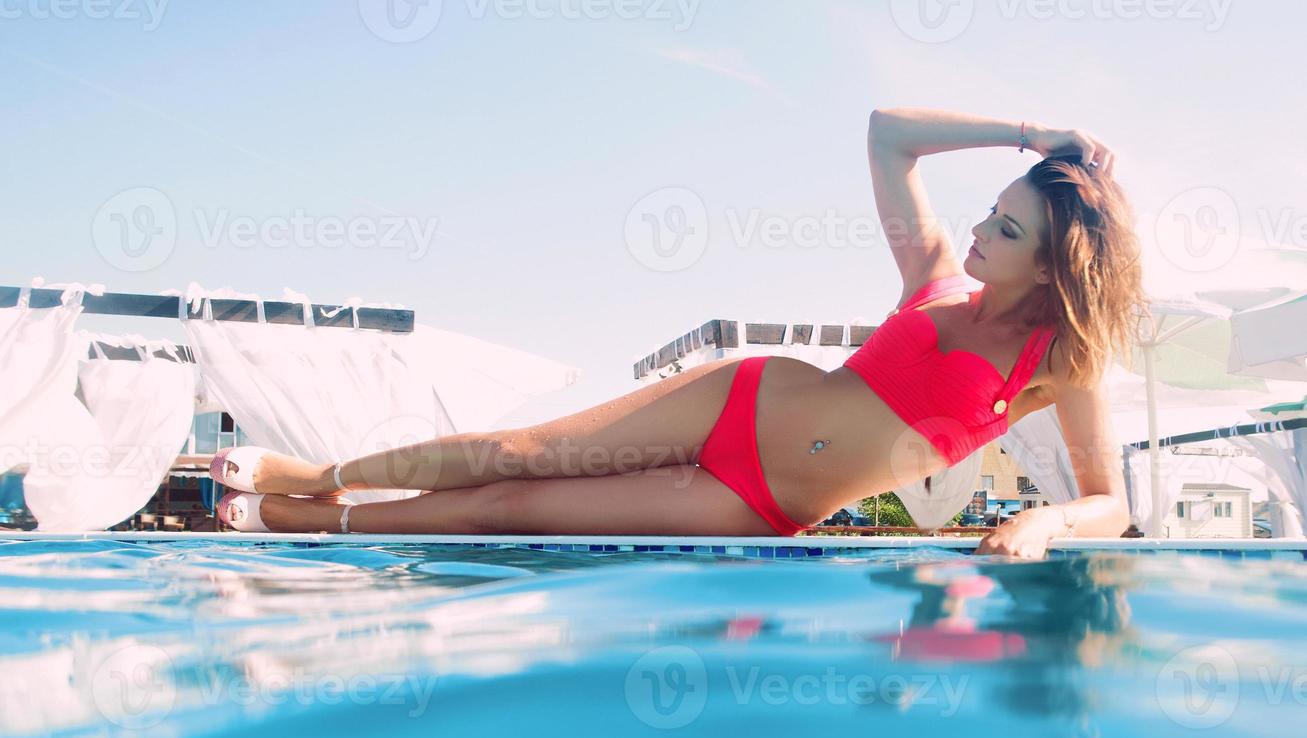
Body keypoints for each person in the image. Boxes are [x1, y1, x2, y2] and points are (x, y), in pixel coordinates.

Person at [212, 107, 1139, 559]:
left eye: (1006, 232)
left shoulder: (1059, 365)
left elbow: (1112, 503)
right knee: (517, 452)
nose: (979, 232)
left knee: (514, 517)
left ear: (1056, 269)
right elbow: (886, 134)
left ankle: (318, 523)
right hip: (741, 399)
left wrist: (1045, 521)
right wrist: (1034, 135)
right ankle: (312, 476)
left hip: (756, 500)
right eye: (990, 212)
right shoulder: (932, 276)